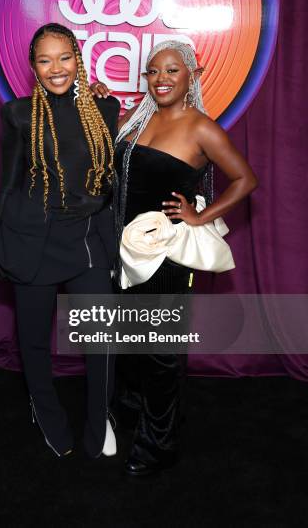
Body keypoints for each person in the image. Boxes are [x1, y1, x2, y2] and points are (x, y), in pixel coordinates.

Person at [92, 36, 258, 475]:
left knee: (160, 354)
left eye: (171, 70)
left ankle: (158, 445)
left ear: (191, 76)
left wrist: (200, 218)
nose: (161, 79)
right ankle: (136, 413)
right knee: (128, 343)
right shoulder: (135, 119)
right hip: (125, 252)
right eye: (153, 71)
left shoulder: (201, 127)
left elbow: (245, 179)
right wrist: (97, 102)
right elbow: (100, 148)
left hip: (167, 258)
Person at [0, 23, 120, 458]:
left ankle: (101, 418)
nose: (56, 68)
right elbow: (8, 183)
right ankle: (44, 409)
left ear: (77, 59)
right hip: (33, 241)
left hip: (85, 241)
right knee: (35, 340)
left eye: (64, 57)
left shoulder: (106, 108)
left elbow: (111, 180)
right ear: (33, 67)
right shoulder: (17, 113)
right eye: (45, 60)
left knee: (101, 339)